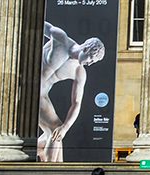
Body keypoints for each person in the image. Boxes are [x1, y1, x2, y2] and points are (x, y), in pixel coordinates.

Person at [38, 22, 106, 162]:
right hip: (30, 87)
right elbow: (37, 23)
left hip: (42, 95)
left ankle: (51, 163)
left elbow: (76, 103)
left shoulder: (79, 71)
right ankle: (50, 173)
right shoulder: (61, 38)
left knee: (56, 132)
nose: (90, 64)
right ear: (88, 49)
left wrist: (66, 127)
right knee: (55, 130)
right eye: (92, 59)